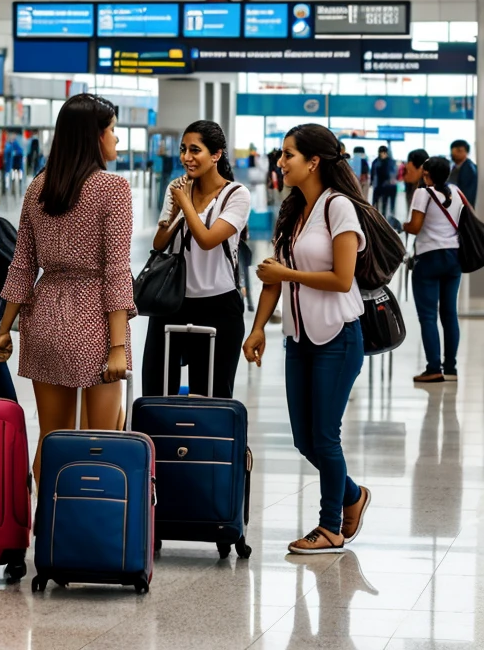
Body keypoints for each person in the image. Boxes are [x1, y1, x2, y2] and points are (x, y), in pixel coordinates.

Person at [243, 123, 370, 555]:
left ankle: (330, 526)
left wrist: (285, 273)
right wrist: (258, 326)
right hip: (299, 340)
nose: (280, 162)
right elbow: (272, 282)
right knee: (303, 439)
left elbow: (342, 278)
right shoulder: (293, 210)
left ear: (313, 161)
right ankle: (352, 494)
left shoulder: (340, 209)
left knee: (325, 436)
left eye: (288, 155)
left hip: (338, 336)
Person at [0, 94, 133, 483]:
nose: (116, 140)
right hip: (94, 323)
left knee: (51, 438)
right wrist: (118, 347)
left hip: (44, 320)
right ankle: (90, 530)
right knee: (100, 442)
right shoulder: (113, 188)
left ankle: (47, 528)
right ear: (95, 136)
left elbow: (22, 264)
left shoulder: (39, 186)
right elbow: (116, 271)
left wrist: (4, 331)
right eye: (112, 131)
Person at [141, 120, 251, 399]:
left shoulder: (236, 195)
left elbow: (208, 238)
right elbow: (159, 243)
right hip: (171, 303)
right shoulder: (176, 189)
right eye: (183, 150)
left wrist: (186, 203)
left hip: (218, 306)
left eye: (195, 150)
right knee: (157, 389)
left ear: (216, 155)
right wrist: (176, 210)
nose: (186, 157)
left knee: (211, 395)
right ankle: (158, 443)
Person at [404, 155, 463, 384]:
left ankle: (433, 368)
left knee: (428, 316)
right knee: (449, 314)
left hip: (429, 259)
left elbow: (416, 227)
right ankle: (451, 367)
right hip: (454, 257)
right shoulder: (456, 192)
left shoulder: (423, 193)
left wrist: (402, 225)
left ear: (426, 174)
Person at [449, 140, 477, 207]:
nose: (455, 153)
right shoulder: (454, 167)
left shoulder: (469, 169)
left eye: (459, 151)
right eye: (453, 150)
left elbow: (468, 195)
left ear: (467, 152)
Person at [371, 145, 397, 217]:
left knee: (385, 203)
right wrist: (372, 181)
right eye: (381, 152)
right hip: (378, 185)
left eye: (384, 152)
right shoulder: (376, 162)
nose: (382, 154)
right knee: (376, 202)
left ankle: (384, 217)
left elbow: (393, 173)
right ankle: (376, 216)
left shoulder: (390, 161)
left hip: (386, 186)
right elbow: (373, 173)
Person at [404, 148, 429, 213]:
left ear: (421, 169)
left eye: (410, 171)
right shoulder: (411, 186)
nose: (406, 177)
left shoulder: (428, 192)